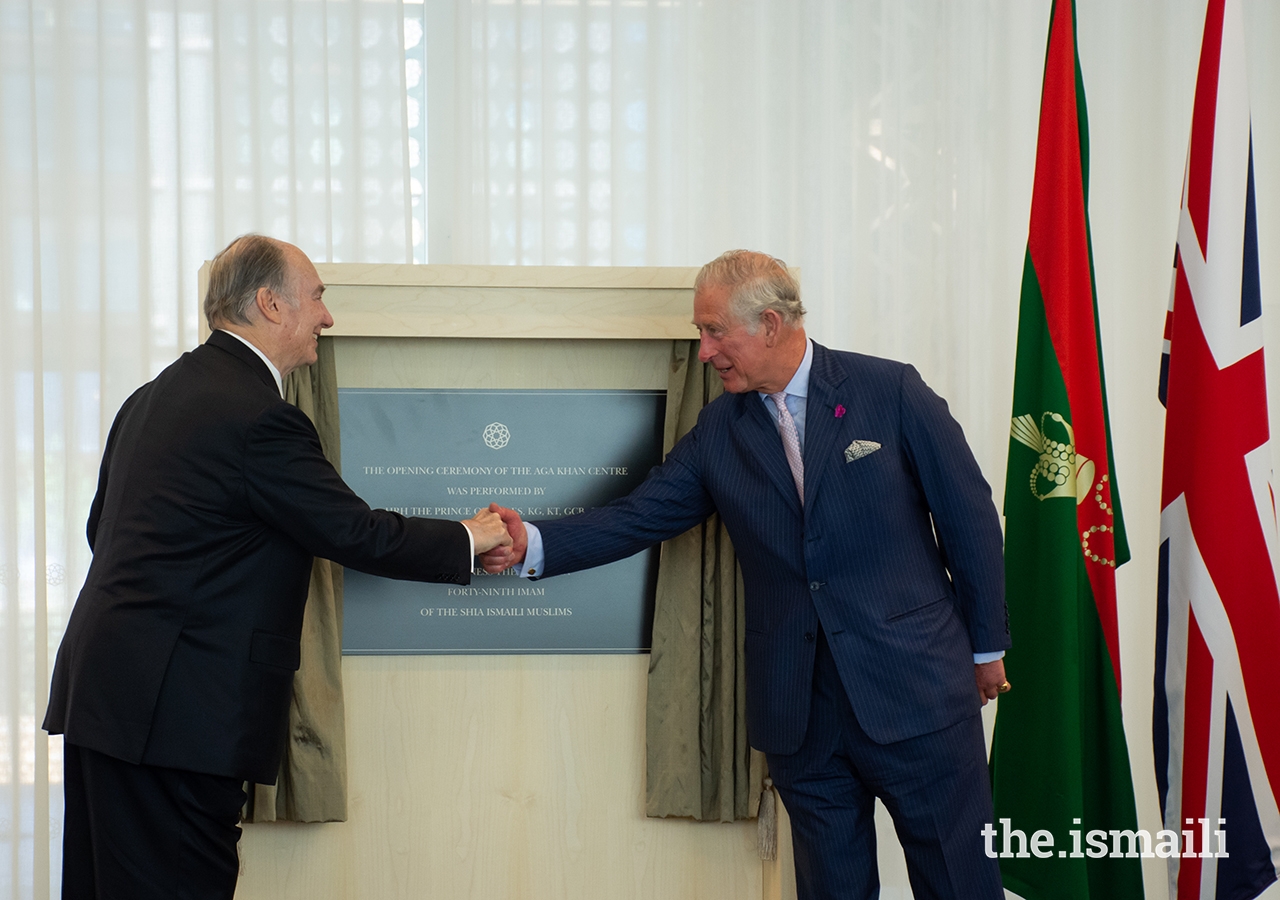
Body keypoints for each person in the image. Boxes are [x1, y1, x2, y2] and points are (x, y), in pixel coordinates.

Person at [483, 250, 1011, 900]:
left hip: (917, 691)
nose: (703, 351)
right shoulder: (719, 430)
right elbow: (641, 515)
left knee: (960, 884)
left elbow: (970, 520)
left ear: (768, 323)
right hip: (800, 715)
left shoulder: (890, 391)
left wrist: (986, 648)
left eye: (713, 332)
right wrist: (531, 541)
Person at [43, 234, 511, 900]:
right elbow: (355, 531)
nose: (327, 316)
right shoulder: (260, 419)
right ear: (269, 303)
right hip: (176, 719)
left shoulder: (150, 399)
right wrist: (471, 536)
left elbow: (104, 533)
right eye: (317, 297)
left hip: (107, 701)